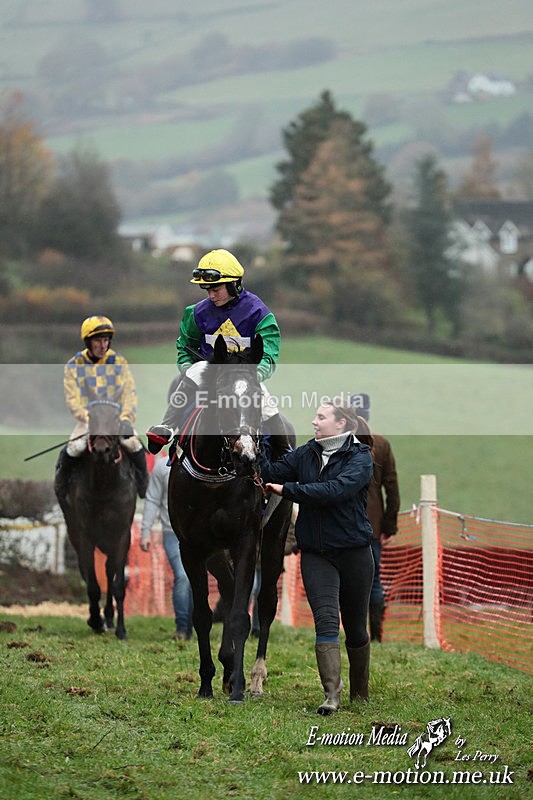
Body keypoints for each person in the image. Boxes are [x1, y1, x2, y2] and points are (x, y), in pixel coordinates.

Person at [260, 399, 375, 715]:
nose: (314, 422)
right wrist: (253, 447)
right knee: (325, 620)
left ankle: (360, 694)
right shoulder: (306, 453)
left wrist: (289, 490)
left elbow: (334, 490)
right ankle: (331, 696)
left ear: (341, 424)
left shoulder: (361, 458)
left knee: (354, 627)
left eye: (321, 417)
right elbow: (270, 471)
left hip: (354, 552)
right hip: (316, 553)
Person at [146, 248, 290, 456]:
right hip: (210, 370)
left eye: (216, 289)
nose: (211, 295)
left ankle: (285, 454)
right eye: (207, 290)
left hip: (244, 374)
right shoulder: (197, 312)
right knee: (195, 370)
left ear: (234, 284)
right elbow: (185, 346)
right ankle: (167, 427)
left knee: (268, 405)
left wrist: (255, 375)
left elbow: (268, 355)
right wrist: (187, 366)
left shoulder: (259, 313)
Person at [55, 315, 148, 502]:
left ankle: (143, 484)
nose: (103, 345)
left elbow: (129, 393)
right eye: (98, 340)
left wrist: (125, 419)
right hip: (88, 421)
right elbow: (72, 400)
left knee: (134, 445)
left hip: (116, 421)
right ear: (88, 341)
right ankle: (61, 487)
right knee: (73, 448)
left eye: (106, 340)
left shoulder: (119, 362)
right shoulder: (74, 365)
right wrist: (90, 420)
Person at [350, 392, 400, 642]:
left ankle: (354, 632)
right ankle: (377, 635)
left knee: (348, 580)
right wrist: (389, 525)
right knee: (375, 580)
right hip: (372, 526)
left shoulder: (337, 442)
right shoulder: (381, 444)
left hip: (344, 523)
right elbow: (391, 488)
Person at [140, 453, 193, 640]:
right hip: (172, 533)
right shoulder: (162, 467)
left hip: (198, 535)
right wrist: (145, 531)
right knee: (183, 576)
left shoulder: (201, 466)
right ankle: (182, 627)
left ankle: (192, 627)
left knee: (196, 580)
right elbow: (153, 500)